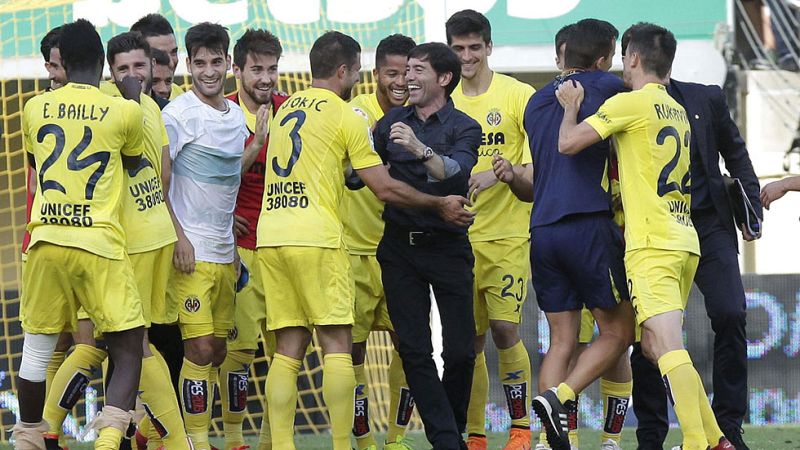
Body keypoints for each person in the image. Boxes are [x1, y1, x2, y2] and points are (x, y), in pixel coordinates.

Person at [256, 32, 474, 450]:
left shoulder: (285, 111)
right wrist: (437, 204)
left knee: (288, 349)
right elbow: (383, 188)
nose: (359, 79)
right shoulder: (346, 115)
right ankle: (343, 444)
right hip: (317, 237)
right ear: (343, 70)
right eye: (357, 71)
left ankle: (282, 445)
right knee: (338, 344)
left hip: (272, 234)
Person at [554, 22, 734, 450]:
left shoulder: (631, 103)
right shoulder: (676, 109)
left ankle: (696, 442)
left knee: (667, 346)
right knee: (654, 345)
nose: (621, 64)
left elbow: (568, 144)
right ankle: (716, 439)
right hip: (684, 239)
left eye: (624, 57)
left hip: (652, 244)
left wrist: (570, 107)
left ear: (633, 58)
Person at [15, 18, 146, 450]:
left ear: (64, 64)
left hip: (45, 239)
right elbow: (132, 164)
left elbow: (37, 163)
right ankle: (108, 442)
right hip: (98, 242)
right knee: (128, 347)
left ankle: (28, 438)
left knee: (37, 351)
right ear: (103, 66)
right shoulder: (124, 110)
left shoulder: (34, 108)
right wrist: (132, 98)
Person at [631, 36, 763, 450]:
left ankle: (728, 427)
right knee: (648, 335)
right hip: (655, 230)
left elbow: (736, 155)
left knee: (731, 313)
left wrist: (751, 211)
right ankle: (651, 433)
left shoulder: (706, 98)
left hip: (708, 225)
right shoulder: (625, 102)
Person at [371, 42, 481, 450]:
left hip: (448, 247)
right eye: (406, 70)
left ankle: (451, 430)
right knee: (415, 350)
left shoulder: (464, 126)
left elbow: (455, 174)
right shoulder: (389, 123)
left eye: (418, 70)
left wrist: (419, 148)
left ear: (444, 78)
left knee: (461, 352)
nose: (408, 78)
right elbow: (361, 173)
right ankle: (448, 442)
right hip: (399, 248)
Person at [444, 10, 535, 450]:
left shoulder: (518, 95)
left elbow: (534, 174)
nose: (467, 56)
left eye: (474, 47)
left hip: (508, 236)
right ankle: (476, 435)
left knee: (504, 329)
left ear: (489, 47)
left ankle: (520, 429)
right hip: (459, 240)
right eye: (458, 49)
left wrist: (506, 173)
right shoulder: (445, 102)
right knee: (471, 341)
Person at [161, 22, 249, 450]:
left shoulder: (237, 117)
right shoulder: (177, 115)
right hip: (190, 253)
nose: (209, 71)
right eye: (200, 63)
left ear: (229, 63)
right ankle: (195, 441)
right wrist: (178, 236)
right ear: (188, 64)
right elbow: (158, 183)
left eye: (216, 62)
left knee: (216, 351)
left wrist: (232, 241)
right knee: (197, 349)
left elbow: (226, 183)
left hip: (224, 252)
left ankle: (153, 434)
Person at [344, 33, 417, 450]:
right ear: (376, 75)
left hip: (403, 253)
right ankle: (363, 439)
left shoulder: (423, 119)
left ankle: (396, 439)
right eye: (392, 73)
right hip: (354, 252)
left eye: (408, 73)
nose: (400, 81)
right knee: (351, 350)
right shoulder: (357, 112)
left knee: (409, 346)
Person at [221, 28, 288, 450]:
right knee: (240, 352)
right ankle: (233, 440)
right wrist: (223, 216)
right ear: (238, 69)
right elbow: (203, 180)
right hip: (241, 252)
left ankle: (271, 442)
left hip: (283, 249)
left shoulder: (292, 112)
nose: (266, 78)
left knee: (286, 353)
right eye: (257, 69)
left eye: (272, 69)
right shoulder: (222, 113)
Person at [131, 14, 184, 99]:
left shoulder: (179, 94)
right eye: (160, 54)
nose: (170, 63)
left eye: (174, 52)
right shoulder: (113, 98)